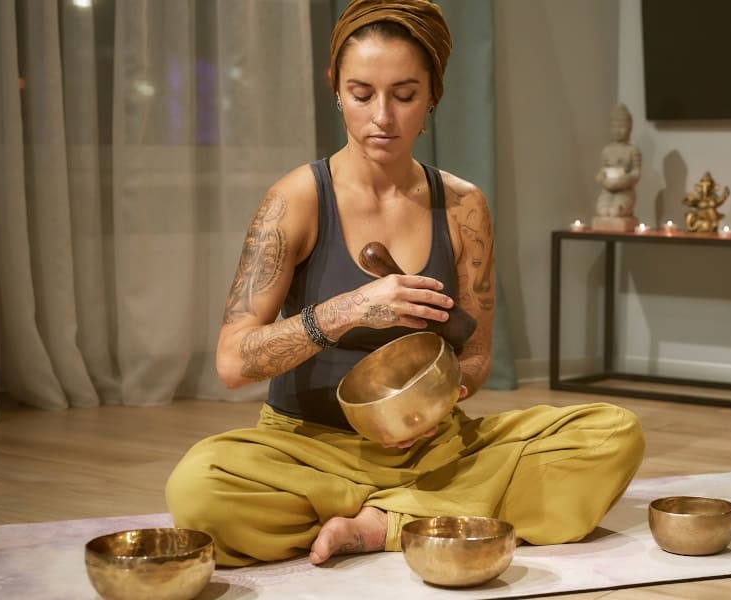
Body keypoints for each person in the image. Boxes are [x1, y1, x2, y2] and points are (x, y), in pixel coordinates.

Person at [165, 0, 644, 568]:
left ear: (433, 95)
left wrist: (431, 407)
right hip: (304, 448)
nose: (382, 118)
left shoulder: (463, 206)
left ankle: (374, 524)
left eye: (405, 94)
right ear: (337, 90)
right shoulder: (295, 199)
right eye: (362, 93)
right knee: (198, 488)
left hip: (432, 448)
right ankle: (424, 512)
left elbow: (477, 354)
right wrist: (347, 310)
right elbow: (231, 361)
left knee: (612, 434)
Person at [594, 103, 642, 218]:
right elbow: (601, 172)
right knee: (603, 211)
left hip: (625, 191)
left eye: (621, 127)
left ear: (629, 128)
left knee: (615, 212)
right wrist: (603, 180)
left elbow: (636, 173)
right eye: (614, 126)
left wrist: (624, 180)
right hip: (607, 190)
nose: (618, 131)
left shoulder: (632, 150)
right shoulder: (607, 150)